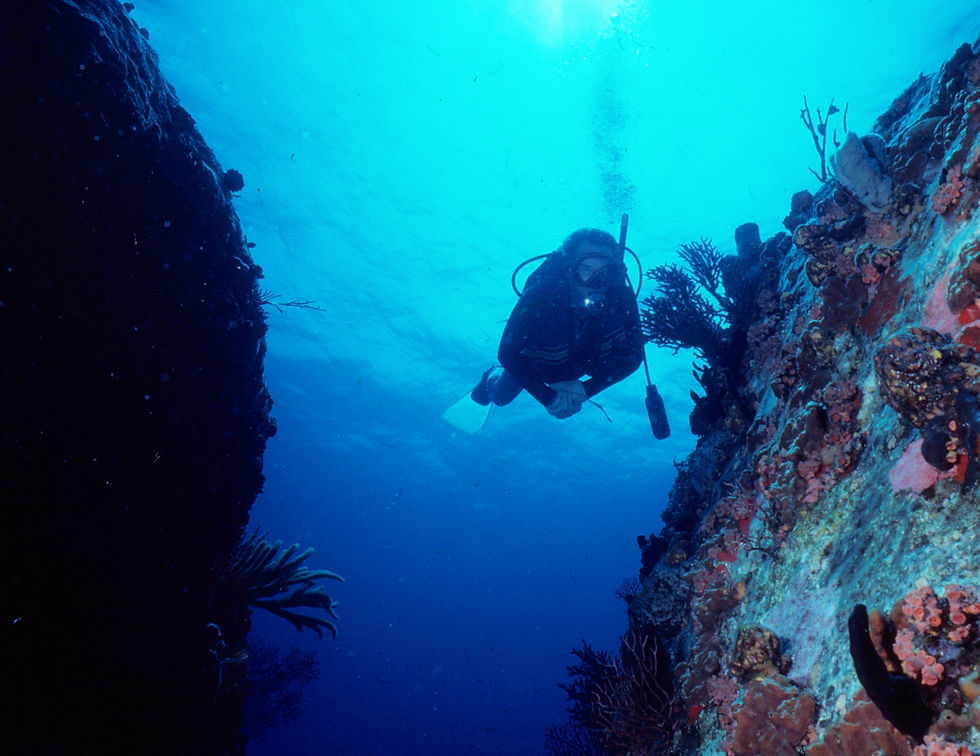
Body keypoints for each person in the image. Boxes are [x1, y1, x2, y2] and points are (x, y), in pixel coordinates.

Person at [471, 228, 644, 419]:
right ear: (569, 269)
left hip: (583, 362)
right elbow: (507, 353)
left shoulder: (622, 297)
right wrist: (548, 398)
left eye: (604, 272)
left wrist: (587, 389)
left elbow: (634, 357)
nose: (594, 282)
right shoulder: (540, 295)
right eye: (585, 269)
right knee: (501, 398)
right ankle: (491, 377)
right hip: (536, 362)